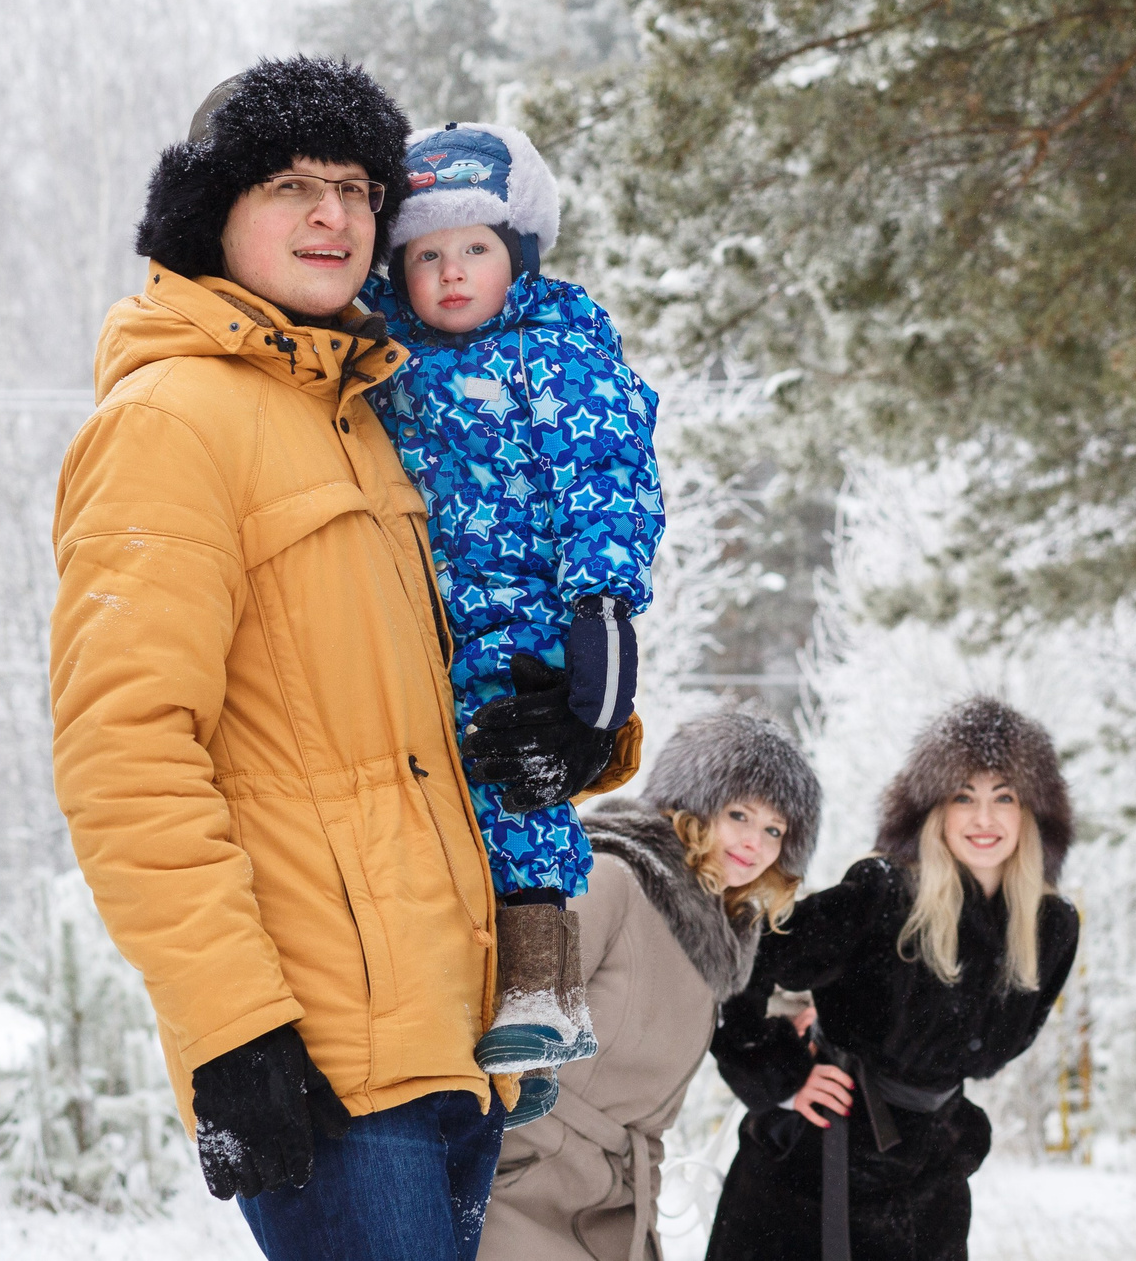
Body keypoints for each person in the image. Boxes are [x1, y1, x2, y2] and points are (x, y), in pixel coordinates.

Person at [48, 59, 641, 1261]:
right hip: (322, 1051)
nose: (333, 214)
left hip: (455, 1030)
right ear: (209, 215)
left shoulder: (368, 415)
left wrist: (573, 734)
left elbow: (427, 715)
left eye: (357, 188)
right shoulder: (171, 423)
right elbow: (126, 754)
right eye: (289, 185)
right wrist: (233, 1033)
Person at [366, 122, 663, 1111]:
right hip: (419, 624)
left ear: (518, 255)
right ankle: (493, 1045)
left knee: (517, 781)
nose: (452, 274)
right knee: (434, 810)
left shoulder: (556, 352)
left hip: (523, 618)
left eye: (475, 250)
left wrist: (601, 613)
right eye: (426, 256)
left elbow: (606, 478)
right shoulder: (384, 357)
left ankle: (542, 989)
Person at [705, 698, 1079, 1261]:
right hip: (813, 1174)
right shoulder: (882, 893)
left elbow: (993, 1048)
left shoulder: (1050, 929)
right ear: (935, 810)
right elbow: (746, 958)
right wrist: (779, 1071)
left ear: (1032, 814)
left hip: (929, 1180)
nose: (984, 819)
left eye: (1005, 797)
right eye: (964, 797)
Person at [482, 713, 824, 1261]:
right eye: (739, 814)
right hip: (528, 1191)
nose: (754, 842)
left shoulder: (719, 940)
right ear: (694, 804)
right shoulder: (610, 878)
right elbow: (508, 1011)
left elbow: (663, 999)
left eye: (774, 830)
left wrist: (790, 1014)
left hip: (619, 1204)